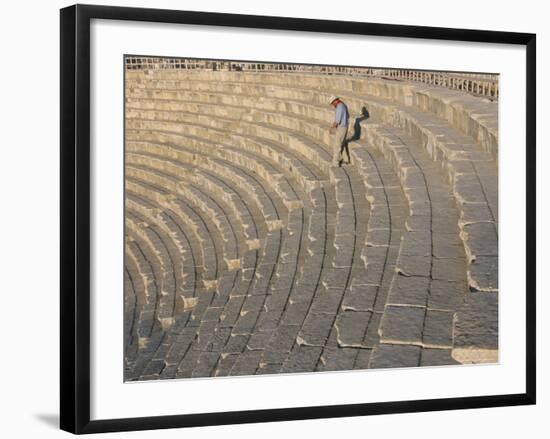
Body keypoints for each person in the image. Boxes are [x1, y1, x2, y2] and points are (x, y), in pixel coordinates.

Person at [329, 96, 351, 167]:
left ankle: (335, 162)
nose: (333, 105)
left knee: (337, 145)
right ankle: (345, 160)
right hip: (344, 126)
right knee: (342, 143)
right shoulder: (343, 104)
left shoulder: (339, 106)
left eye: (332, 103)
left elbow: (337, 120)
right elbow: (348, 115)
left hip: (342, 127)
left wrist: (332, 128)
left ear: (335, 101)